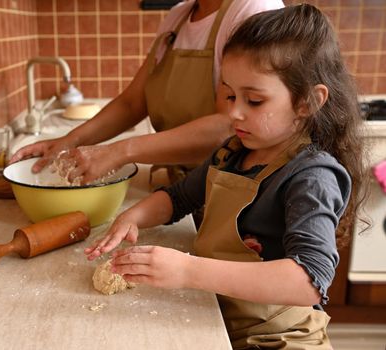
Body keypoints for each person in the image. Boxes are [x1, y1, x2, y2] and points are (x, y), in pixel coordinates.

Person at [85, 4, 368, 349]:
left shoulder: (312, 175)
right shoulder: (232, 152)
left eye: (254, 100)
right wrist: (133, 217)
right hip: (220, 319)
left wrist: (188, 271)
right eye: (230, 94)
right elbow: (178, 198)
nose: (234, 112)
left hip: (280, 337)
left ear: (307, 101)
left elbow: (309, 280)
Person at [10, 0, 284, 185]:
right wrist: (69, 141)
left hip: (233, 189)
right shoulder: (177, 17)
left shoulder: (253, 9)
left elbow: (231, 125)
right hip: (184, 187)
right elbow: (133, 102)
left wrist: (120, 151)